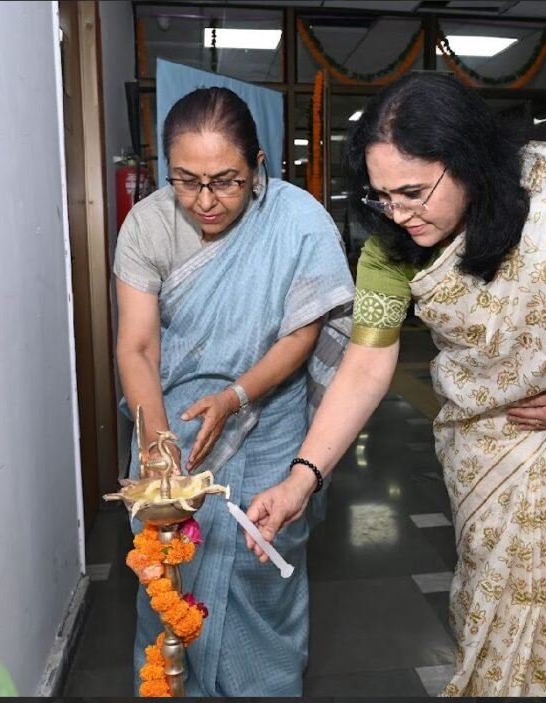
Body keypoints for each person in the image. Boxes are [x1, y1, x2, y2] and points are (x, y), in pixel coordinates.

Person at [244, 72, 546, 697]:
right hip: (488, 439)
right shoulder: (391, 249)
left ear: (466, 160)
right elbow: (366, 365)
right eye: (382, 197)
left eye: (414, 192)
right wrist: (300, 479)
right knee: (491, 606)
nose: (399, 214)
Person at [113, 86, 353, 696]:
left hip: (270, 424)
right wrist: (159, 446)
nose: (205, 201)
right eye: (186, 181)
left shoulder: (296, 221)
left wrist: (236, 397)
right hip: (174, 421)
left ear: (258, 167)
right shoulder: (148, 224)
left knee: (257, 568)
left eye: (225, 181)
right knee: (170, 575)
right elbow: (137, 348)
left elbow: (303, 330)